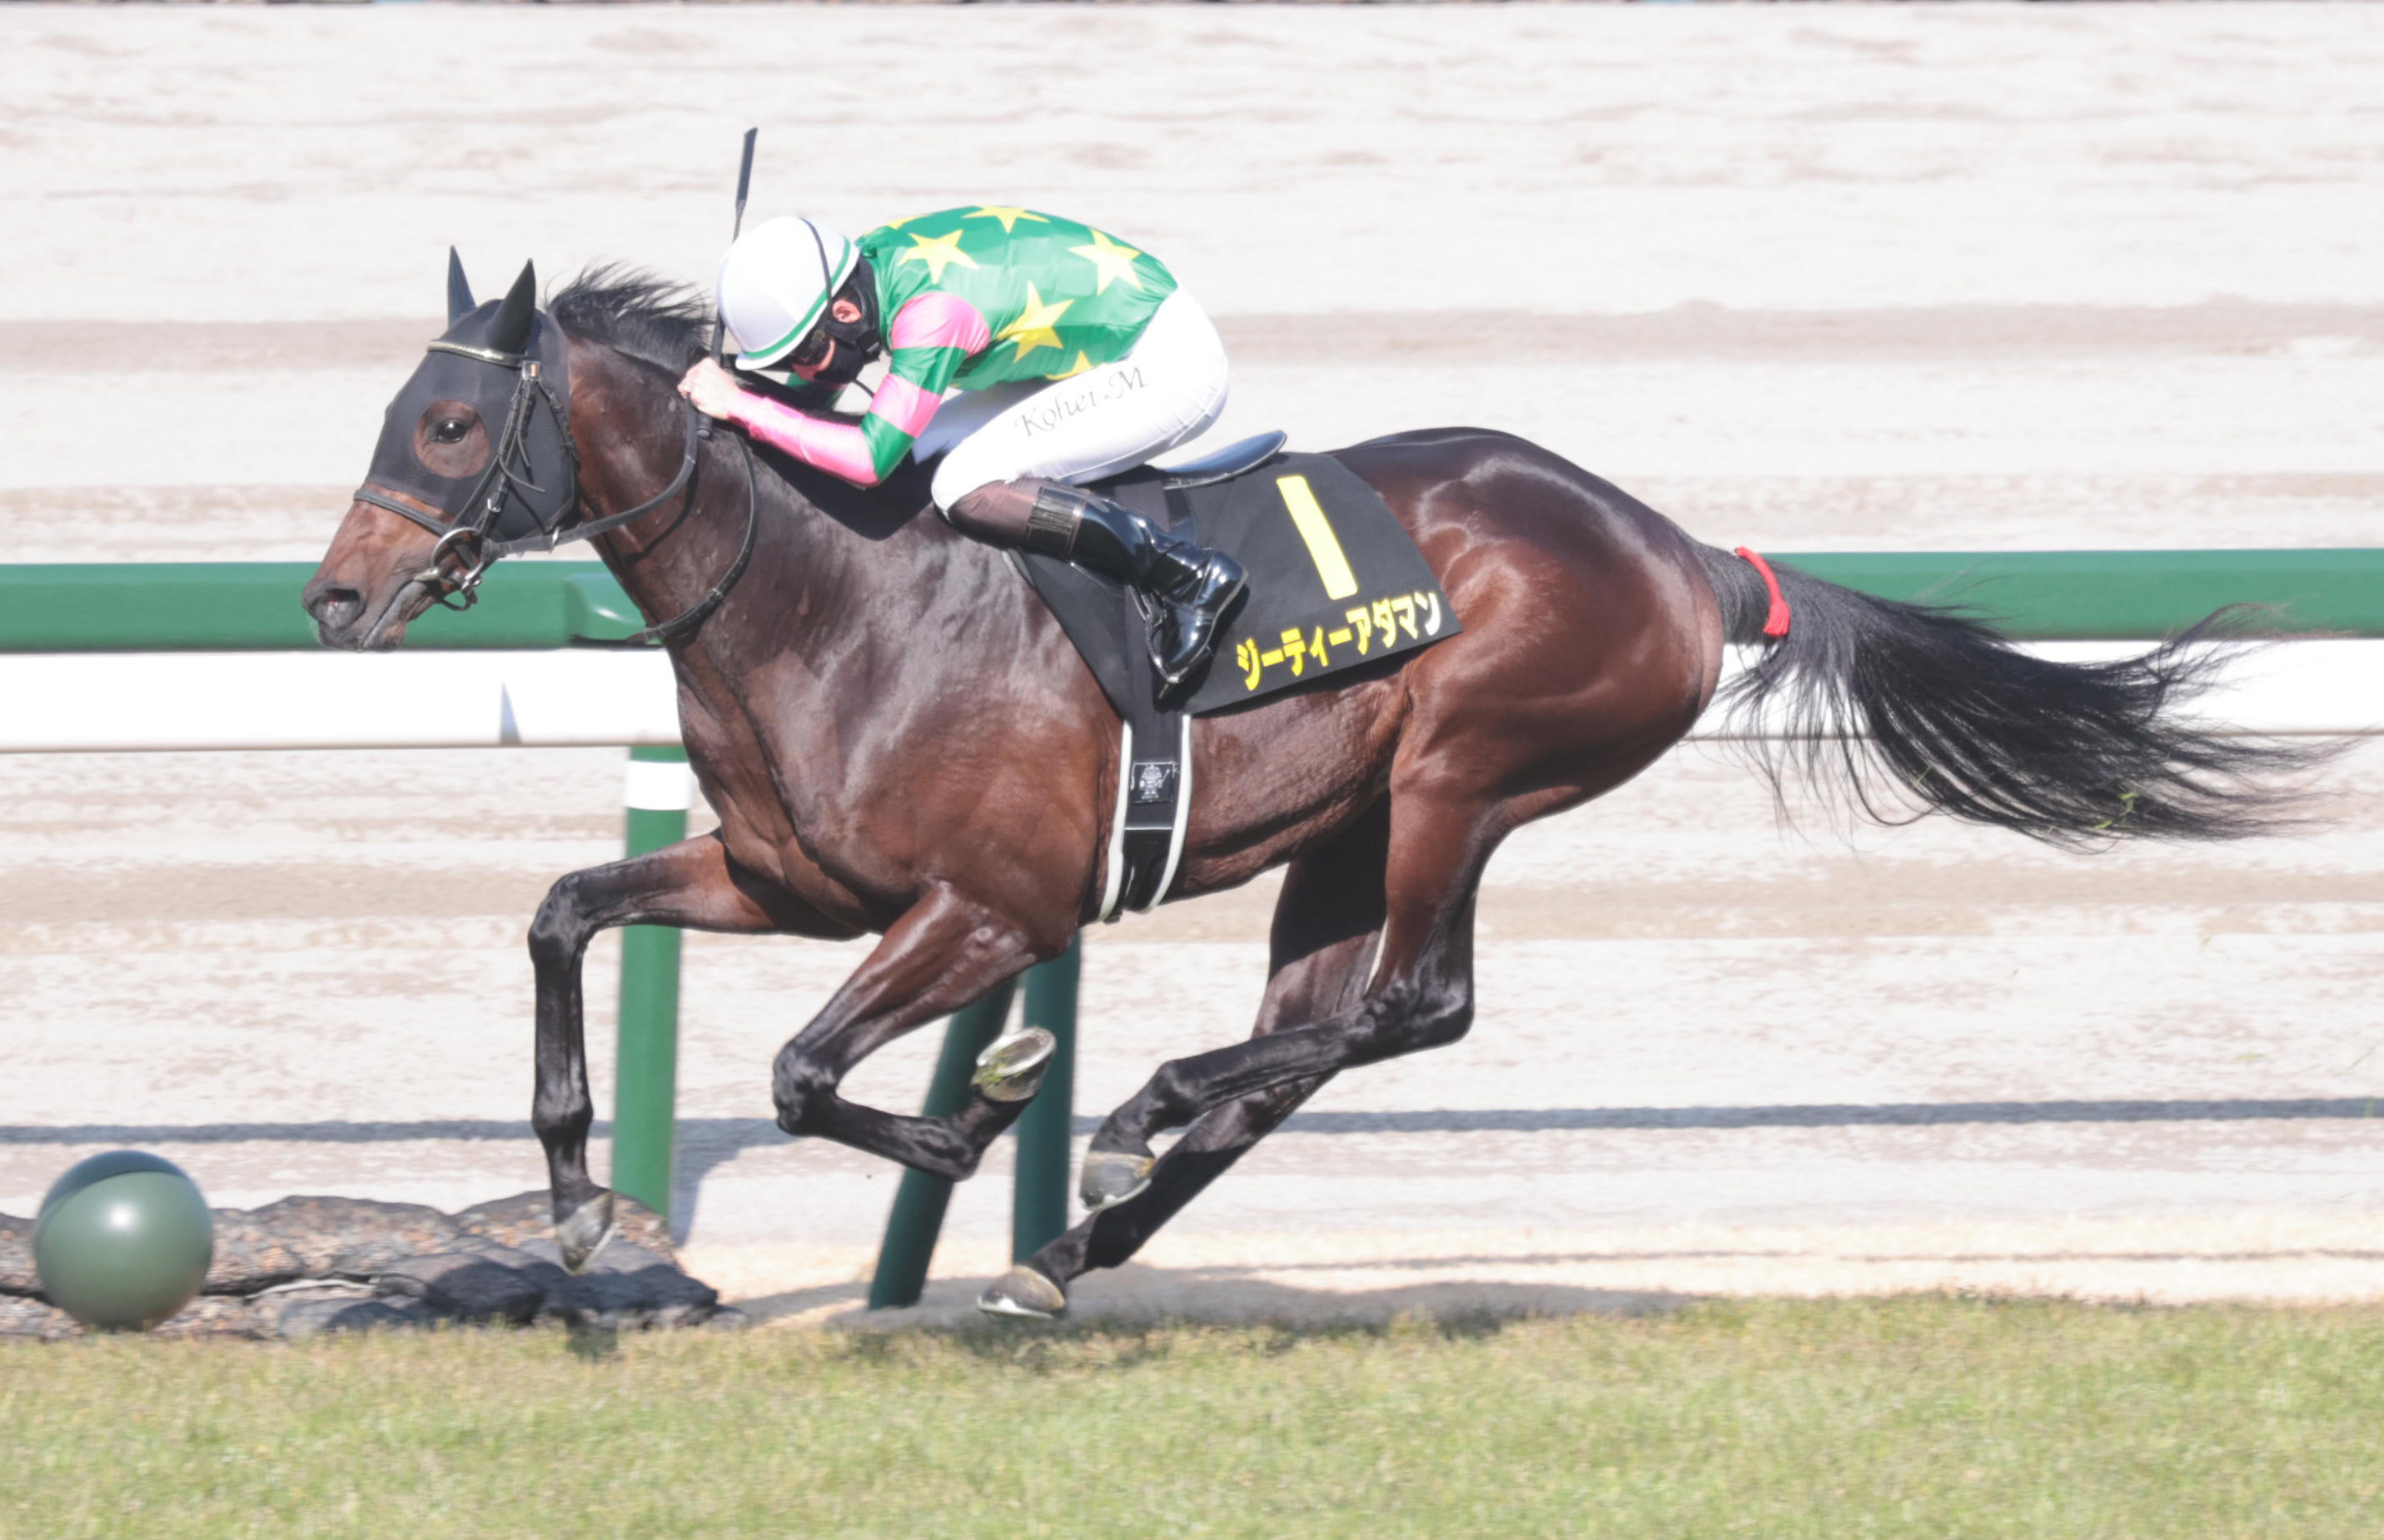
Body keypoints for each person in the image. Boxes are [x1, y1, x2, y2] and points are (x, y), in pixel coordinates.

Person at [679, 207, 1246, 694]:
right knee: (921, 452)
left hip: (1167, 366)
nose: (801, 374)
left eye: (803, 355)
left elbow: (867, 461)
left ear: (846, 314)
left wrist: (746, 409)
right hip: (1101, 346)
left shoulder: (931, 314)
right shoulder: (871, 264)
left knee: (962, 485)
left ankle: (1185, 575)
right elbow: (836, 400)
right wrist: (752, 391)